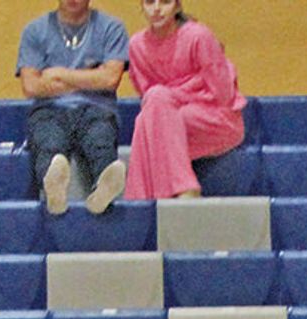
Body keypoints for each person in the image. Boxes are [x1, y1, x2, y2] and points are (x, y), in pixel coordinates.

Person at [124, 0, 246, 201]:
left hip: (215, 120)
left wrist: (174, 95)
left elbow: (224, 95)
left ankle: (144, 198)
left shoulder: (198, 36)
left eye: (165, 2)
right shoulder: (136, 46)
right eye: (150, 2)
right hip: (167, 119)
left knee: (156, 110)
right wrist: (176, 96)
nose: (156, 8)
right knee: (153, 111)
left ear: (177, 6)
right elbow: (148, 99)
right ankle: (179, 190)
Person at [16, 0, 129, 216]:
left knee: (100, 139)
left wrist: (59, 74)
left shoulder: (111, 28)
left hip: (97, 108)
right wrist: (91, 77)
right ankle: (53, 189)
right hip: (49, 109)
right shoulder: (35, 30)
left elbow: (110, 80)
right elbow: (31, 86)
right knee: (49, 143)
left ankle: (103, 189)